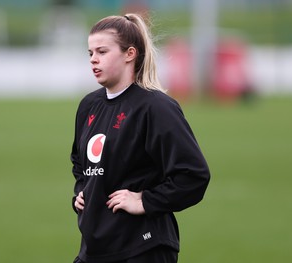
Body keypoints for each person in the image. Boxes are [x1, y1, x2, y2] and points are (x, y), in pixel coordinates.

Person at [70, 13, 210, 263]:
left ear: (130, 54)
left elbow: (193, 175)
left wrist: (145, 200)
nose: (93, 59)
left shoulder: (156, 107)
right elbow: (81, 164)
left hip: (143, 248)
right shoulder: (89, 106)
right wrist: (81, 192)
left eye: (102, 51)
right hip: (95, 248)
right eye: (90, 53)